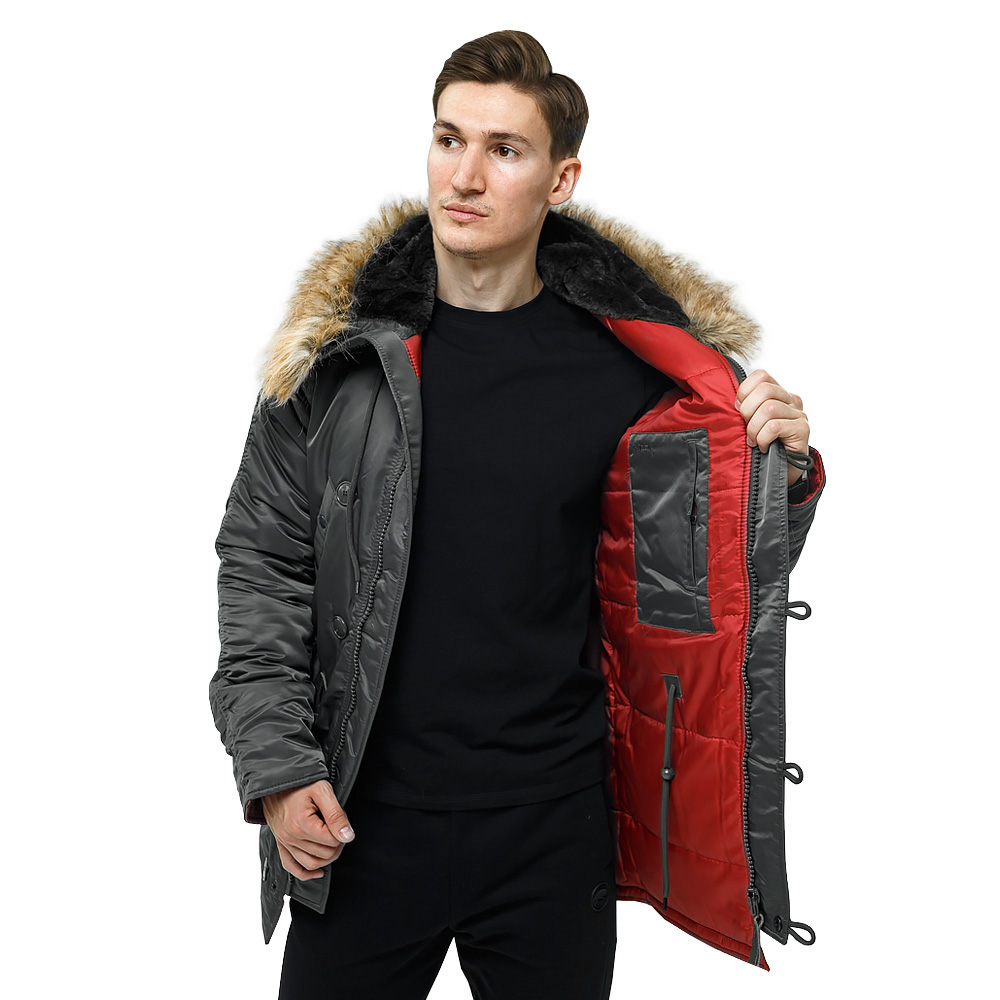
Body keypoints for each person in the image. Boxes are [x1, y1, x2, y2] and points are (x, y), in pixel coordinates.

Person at [210, 28, 827, 999]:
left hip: (552, 830)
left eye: (503, 149)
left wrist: (777, 476)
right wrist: (279, 769)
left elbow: (702, 584)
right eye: (448, 139)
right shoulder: (340, 365)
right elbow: (261, 568)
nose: (464, 175)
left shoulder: (636, 372)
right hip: (364, 821)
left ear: (560, 179)